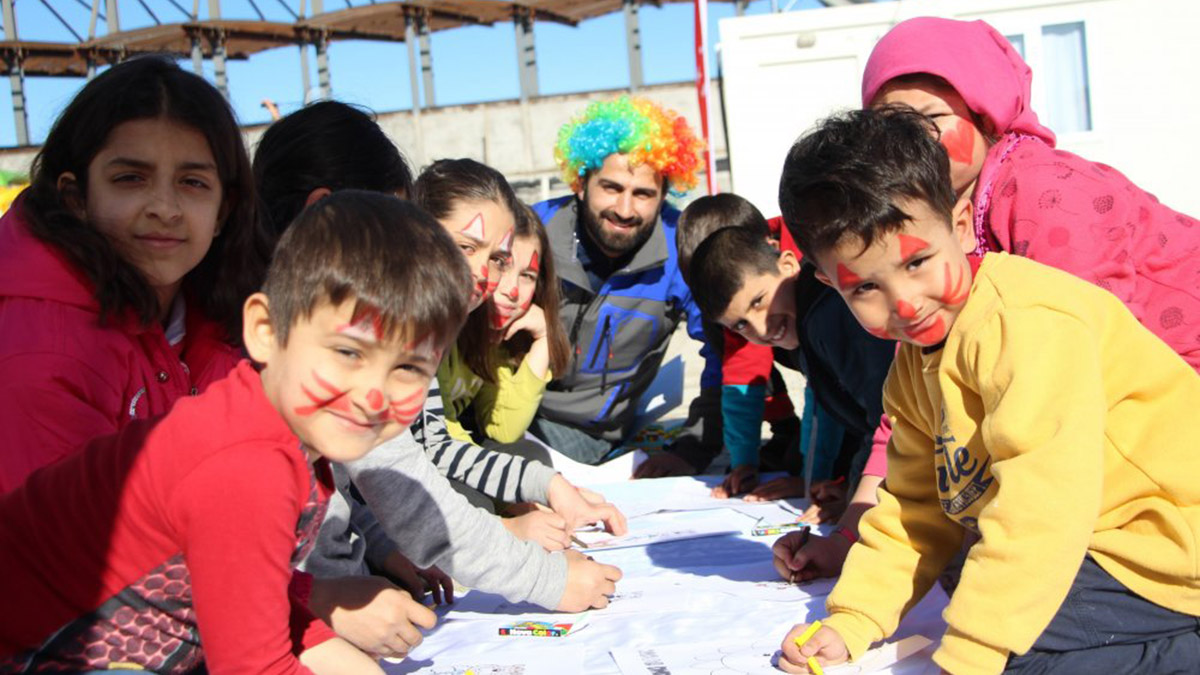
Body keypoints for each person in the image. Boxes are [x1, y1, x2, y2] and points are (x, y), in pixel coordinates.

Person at [776, 107, 1200, 674]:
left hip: (1163, 543)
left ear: (957, 225)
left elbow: (1041, 505)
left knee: (1011, 645)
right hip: (1090, 541)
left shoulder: (1026, 322)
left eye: (919, 262)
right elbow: (912, 503)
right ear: (829, 283)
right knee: (971, 585)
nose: (907, 303)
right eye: (867, 288)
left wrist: (973, 656)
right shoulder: (913, 363)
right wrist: (854, 620)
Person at [0, 191, 470, 673]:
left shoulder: (278, 431)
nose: (374, 395)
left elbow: (252, 598)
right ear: (265, 330)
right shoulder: (247, 464)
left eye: (409, 367)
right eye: (349, 353)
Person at [252, 105, 623, 658]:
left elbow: (362, 473)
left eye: (499, 258)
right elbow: (401, 467)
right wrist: (543, 576)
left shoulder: (382, 327)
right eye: (462, 247)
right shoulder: (330, 341)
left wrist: (378, 546)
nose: (486, 277)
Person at [863, 16, 1200, 372]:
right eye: (891, 125)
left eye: (932, 118)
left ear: (986, 114)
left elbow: (1086, 327)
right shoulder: (933, 207)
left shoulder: (1044, 187)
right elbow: (924, 351)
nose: (912, 141)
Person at [0, 56, 269, 494]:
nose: (164, 208)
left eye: (192, 182)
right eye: (130, 178)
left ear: (224, 211)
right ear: (75, 198)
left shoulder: (216, 326)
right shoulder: (46, 350)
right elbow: (72, 554)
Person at [414, 158, 628, 551]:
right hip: (402, 502)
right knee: (475, 492)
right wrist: (508, 526)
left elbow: (502, 431)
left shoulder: (477, 326)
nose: (496, 282)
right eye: (466, 247)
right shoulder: (415, 330)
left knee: (526, 455)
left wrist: (546, 340)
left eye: (498, 258)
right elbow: (432, 445)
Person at [531, 96, 722, 478]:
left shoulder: (683, 250)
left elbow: (725, 353)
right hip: (501, 410)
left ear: (665, 194)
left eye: (643, 194)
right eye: (611, 187)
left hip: (583, 432)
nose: (625, 209)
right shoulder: (533, 232)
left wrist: (694, 448)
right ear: (580, 183)